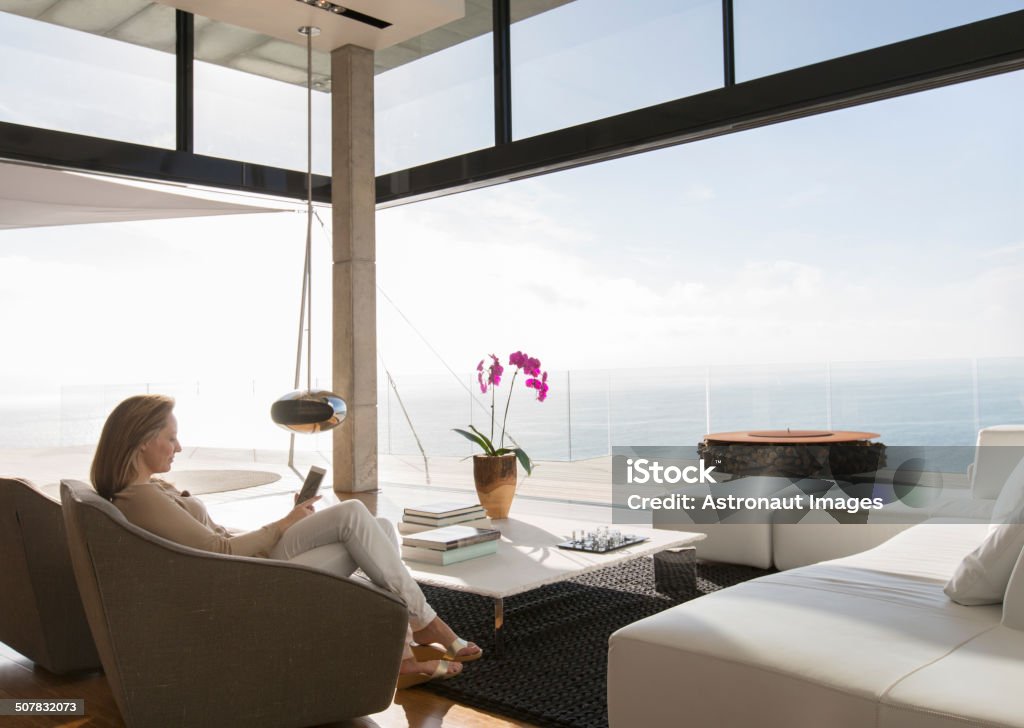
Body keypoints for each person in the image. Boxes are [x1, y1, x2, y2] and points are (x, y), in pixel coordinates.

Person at [90, 394, 481, 688]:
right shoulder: (139, 497)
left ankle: (402, 651)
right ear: (141, 440)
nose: (177, 447)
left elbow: (218, 539)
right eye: (170, 438)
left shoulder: (149, 489)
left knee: (378, 527)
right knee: (355, 519)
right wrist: (283, 524)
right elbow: (217, 552)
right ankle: (426, 624)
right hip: (246, 589)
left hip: (244, 569)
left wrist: (285, 523)